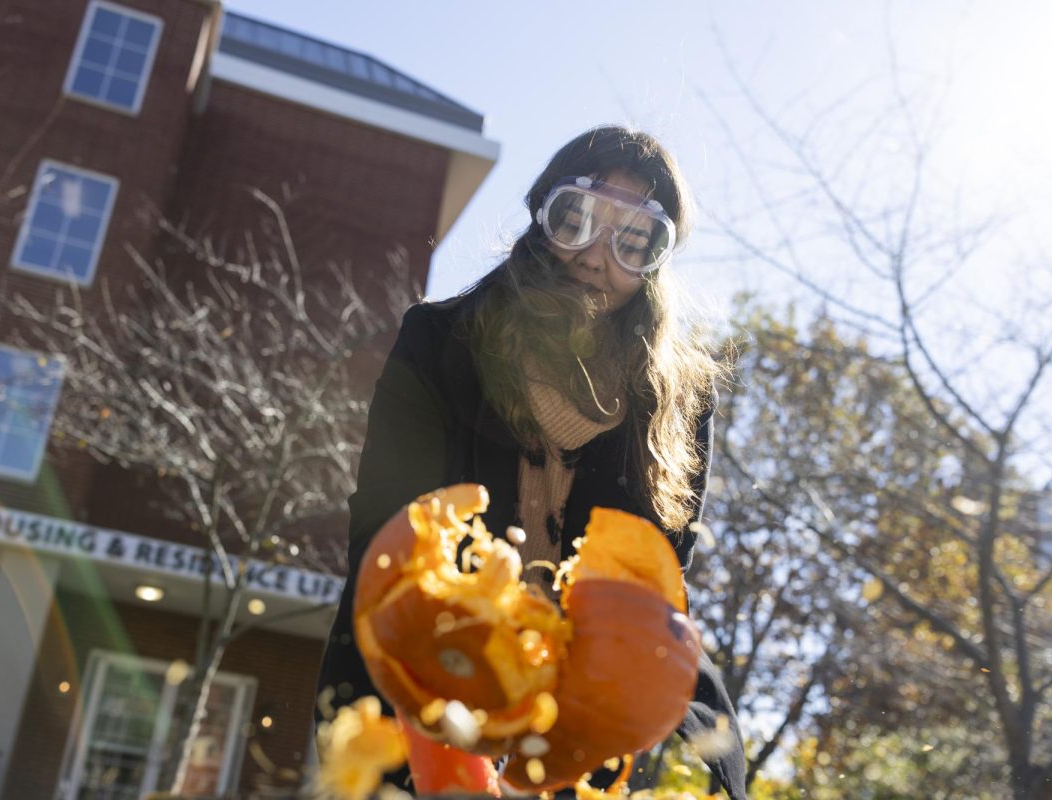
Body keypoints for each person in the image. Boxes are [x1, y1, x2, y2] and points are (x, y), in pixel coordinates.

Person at [314, 125, 748, 799]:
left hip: (593, 700)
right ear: (542, 218)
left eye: (635, 240)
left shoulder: (680, 398)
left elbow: (657, 582)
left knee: (703, 755)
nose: (597, 255)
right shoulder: (437, 341)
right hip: (432, 666)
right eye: (577, 218)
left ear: (656, 262)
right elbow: (387, 532)